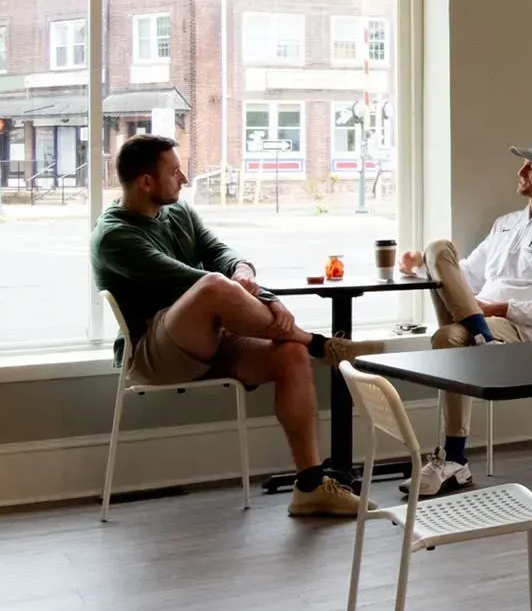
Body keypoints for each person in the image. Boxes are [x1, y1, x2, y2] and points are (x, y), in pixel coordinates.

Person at [90, 134, 371, 517]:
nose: (184, 178)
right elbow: (189, 281)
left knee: (288, 355)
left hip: (210, 340)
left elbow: (219, 252)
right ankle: (315, 342)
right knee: (210, 286)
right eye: (174, 172)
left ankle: (311, 486)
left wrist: (242, 269)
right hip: (154, 353)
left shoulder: (179, 213)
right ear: (145, 182)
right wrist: (268, 298)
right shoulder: (115, 236)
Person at [397, 138, 532, 494]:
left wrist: (498, 309)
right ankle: (479, 334)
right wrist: (418, 267)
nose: (521, 171)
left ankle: (454, 458)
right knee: (437, 249)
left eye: (531, 166)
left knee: (446, 340)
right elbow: (467, 276)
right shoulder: (505, 224)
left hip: (516, 330)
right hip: (478, 318)